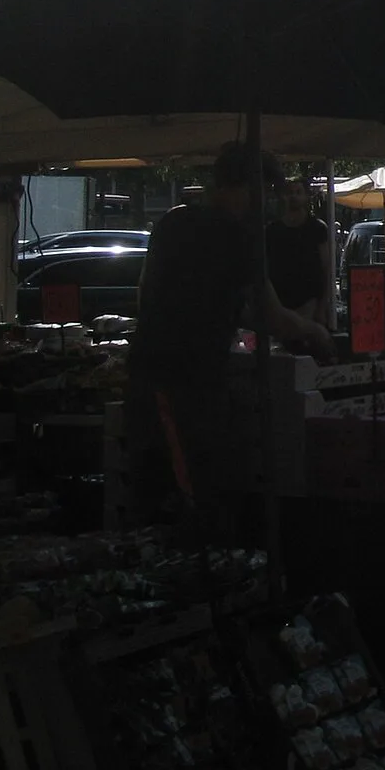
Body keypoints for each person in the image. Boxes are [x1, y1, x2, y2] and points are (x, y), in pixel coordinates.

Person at [124, 143, 336, 536]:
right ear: (247, 188)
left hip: (151, 380)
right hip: (184, 385)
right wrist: (316, 332)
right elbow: (271, 316)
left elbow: (146, 295)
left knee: (160, 501)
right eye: (266, 193)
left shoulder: (172, 223)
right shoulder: (239, 238)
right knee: (195, 499)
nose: (267, 204)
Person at [265, 177, 335, 329]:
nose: (294, 196)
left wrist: (322, 307)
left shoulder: (317, 228)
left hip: (310, 304)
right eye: (290, 192)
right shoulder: (272, 230)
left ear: (306, 196)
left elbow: (326, 268)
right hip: (280, 306)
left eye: (298, 192)